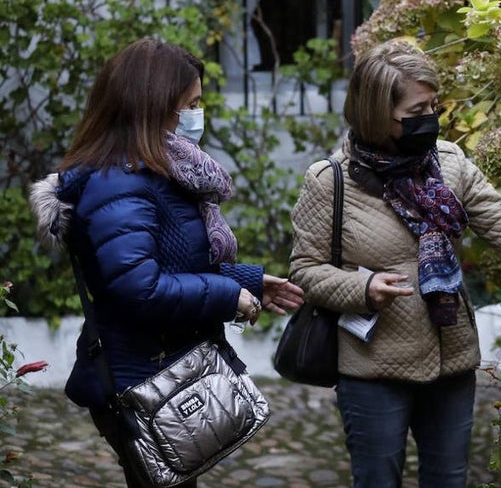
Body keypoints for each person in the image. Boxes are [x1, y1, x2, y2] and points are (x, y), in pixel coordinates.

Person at [289, 39, 501, 488]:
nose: (430, 117)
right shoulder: (330, 181)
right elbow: (305, 270)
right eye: (416, 111)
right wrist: (361, 291)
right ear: (375, 112)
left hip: (452, 363)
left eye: (433, 105)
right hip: (373, 369)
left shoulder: (448, 164)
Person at [28, 37, 305, 488]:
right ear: (152, 105)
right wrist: (228, 295)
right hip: (143, 379)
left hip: (162, 371)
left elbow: (167, 265)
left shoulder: (152, 171)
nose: (197, 115)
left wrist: (249, 281)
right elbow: (141, 288)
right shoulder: (118, 183)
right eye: (190, 103)